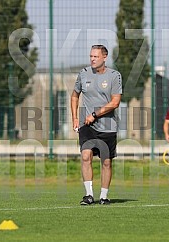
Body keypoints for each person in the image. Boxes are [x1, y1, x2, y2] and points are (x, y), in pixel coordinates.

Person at [70, 45, 122, 205]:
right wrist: (75, 118)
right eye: (91, 56)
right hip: (87, 126)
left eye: (95, 57)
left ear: (104, 57)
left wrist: (95, 114)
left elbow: (115, 102)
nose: (92, 59)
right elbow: (74, 96)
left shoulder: (114, 76)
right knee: (86, 156)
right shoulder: (83, 74)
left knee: (106, 162)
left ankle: (104, 196)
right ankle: (89, 195)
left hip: (108, 126)